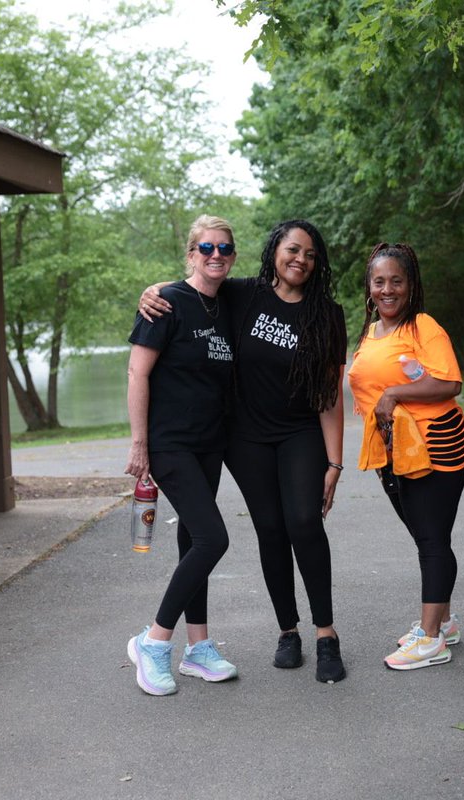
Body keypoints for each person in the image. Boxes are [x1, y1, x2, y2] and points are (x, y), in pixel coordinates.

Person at [138, 220, 348, 683]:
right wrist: (150, 291)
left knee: (304, 523)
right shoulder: (244, 294)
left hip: (299, 433)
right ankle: (288, 631)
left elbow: (331, 395)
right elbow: (194, 284)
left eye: (311, 254)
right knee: (270, 529)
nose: (301, 260)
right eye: (292, 250)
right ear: (275, 251)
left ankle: (326, 634)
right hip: (244, 436)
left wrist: (334, 461)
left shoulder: (327, 314)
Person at [124, 214, 240, 695]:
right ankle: (153, 642)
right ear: (191, 253)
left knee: (194, 540)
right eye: (207, 248)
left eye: (225, 249)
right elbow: (137, 372)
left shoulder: (231, 302)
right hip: (169, 443)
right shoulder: (166, 302)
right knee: (214, 540)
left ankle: (199, 648)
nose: (216, 256)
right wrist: (139, 444)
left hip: (210, 443)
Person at [347, 242, 464, 670]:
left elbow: (450, 383)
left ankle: (431, 639)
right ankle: (444, 622)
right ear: (369, 286)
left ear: (410, 284)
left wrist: (394, 393)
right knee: (427, 537)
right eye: (379, 281)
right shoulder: (371, 331)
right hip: (393, 452)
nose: (387, 289)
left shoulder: (423, 326)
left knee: (431, 539)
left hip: (435, 446)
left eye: (396, 281)